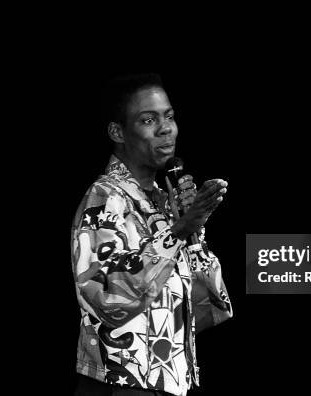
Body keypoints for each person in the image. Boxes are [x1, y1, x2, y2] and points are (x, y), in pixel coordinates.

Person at [71, 74, 232, 396]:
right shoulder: (105, 197)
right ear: (118, 132)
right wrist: (176, 234)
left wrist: (193, 230)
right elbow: (107, 301)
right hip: (122, 383)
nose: (165, 128)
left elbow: (208, 309)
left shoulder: (162, 203)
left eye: (169, 116)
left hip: (170, 381)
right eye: (148, 119)